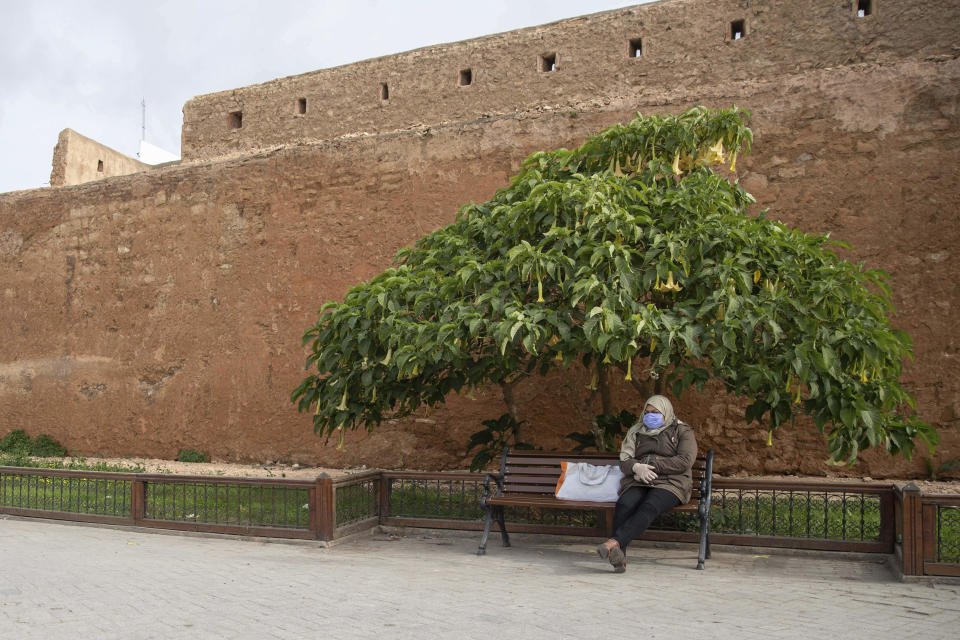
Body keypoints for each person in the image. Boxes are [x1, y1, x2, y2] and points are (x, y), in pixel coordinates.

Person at [596, 394, 697, 573]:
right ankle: (620, 557)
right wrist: (636, 467)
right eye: (647, 412)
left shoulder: (682, 431)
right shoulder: (636, 431)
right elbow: (624, 460)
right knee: (625, 504)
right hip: (641, 479)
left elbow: (685, 461)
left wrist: (652, 463)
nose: (650, 416)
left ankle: (613, 542)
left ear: (666, 412)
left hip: (671, 482)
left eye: (656, 412)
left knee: (650, 505)